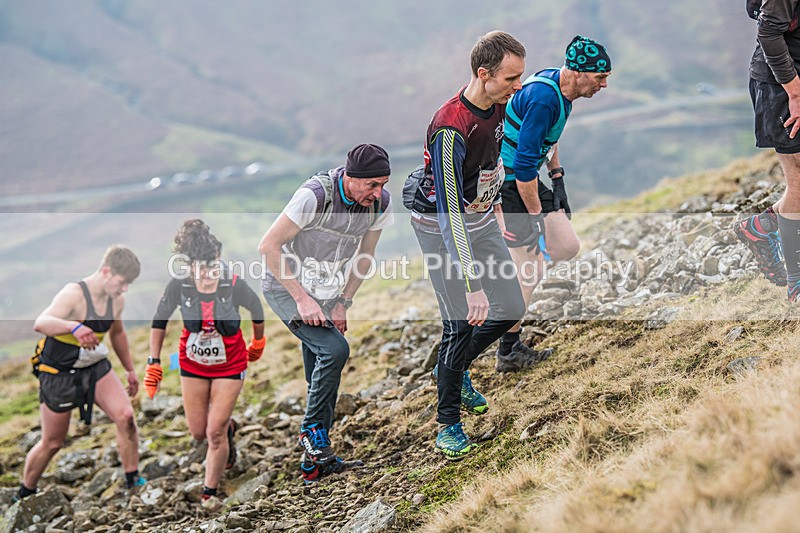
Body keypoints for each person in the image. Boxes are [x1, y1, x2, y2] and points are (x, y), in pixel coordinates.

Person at [410, 31, 527, 460]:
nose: (518, 85)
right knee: (459, 322)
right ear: (484, 74)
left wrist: (495, 206)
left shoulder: (498, 104)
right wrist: (471, 281)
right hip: (442, 227)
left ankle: (454, 369)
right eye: (511, 77)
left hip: (480, 218)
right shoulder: (449, 127)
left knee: (512, 307)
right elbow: (448, 213)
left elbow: (490, 164)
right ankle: (448, 425)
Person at [258, 143, 393, 482]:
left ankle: (315, 463)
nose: (378, 193)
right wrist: (303, 300)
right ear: (350, 177)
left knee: (320, 369)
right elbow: (268, 247)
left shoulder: (380, 205)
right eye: (371, 185)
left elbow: (365, 257)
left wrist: (342, 302)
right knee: (335, 350)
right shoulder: (314, 196)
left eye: (383, 184)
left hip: (327, 292)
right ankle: (311, 431)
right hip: (285, 287)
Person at [496, 35, 612, 372]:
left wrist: (558, 176)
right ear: (577, 72)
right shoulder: (545, 98)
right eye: (600, 77)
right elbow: (524, 164)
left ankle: (510, 290)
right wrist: (534, 215)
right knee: (529, 270)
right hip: (509, 184)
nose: (603, 85)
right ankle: (507, 350)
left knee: (565, 244)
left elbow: (549, 138)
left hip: (526, 179)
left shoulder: (560, 87)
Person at [145, 220, 265, 502]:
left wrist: (258, 341)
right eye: (201, 269)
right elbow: (159, 321)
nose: (208, 274)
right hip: (192, 364)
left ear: (219, 259)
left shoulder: (233, 282)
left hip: (231, 363)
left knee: (213, 434)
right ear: (189, 266)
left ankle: (209, 493)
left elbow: (256, 307)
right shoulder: (179, 286)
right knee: (199, 431)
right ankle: (229, 428)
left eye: (212, 266)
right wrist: (154, 361)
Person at [17, 245, 143, 501]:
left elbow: (117, 333)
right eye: (122, 282)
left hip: (95, 367)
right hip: (59, 372)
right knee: (53, 442)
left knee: (126, 416)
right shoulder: (74, 294)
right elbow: (41, 323)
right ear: (106, 272)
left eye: (129, 284)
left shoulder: (116, 300)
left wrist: (130, 370)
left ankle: (133, 480)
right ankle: (25, 493)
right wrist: (73, 327)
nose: (125, 289)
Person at [737, 0, 800, 302]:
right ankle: (797, 283)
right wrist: (795, 92)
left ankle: (760, 226)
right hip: (784, 87)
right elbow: (768, 32)